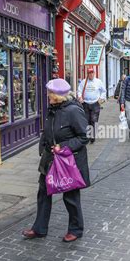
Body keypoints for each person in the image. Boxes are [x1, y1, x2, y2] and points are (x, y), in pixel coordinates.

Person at [23, 78, 90, 242]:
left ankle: (76, 229)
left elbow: (84, 137)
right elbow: (48, 131)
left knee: (70, 196)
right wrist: (43, 148)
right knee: (43, 193)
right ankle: (39, 228)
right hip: (50, 159)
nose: (47, 96)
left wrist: (64, 146)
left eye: (49, 93)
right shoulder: (53, 109)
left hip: (68, 161)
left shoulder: (73, 111)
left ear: (57, 96)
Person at [77, 67, 107, 144]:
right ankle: (88, 135)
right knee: (86, 120)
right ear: (87, 74)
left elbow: (103, 91)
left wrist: (101, 98)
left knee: (94, 120)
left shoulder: (98, 82)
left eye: (92, 73)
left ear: (94, 73)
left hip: (95, 103)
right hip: (85, 103)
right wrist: (80, 97)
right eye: (89, 73)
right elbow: (79, 90)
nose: (91, 74)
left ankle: (93, 136)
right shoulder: (84, 82)